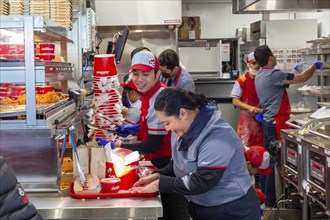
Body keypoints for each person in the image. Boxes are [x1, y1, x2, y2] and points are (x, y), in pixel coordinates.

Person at [130, 87, 260, 220]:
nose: (167, 128)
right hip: (202, 208)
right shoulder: (181, 128)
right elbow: (180, 162)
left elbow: (202, 181)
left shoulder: (218, 136)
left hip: (232, 210)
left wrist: (160, 183)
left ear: (183, 113)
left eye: (167, 123)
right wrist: (158, 175)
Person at [100, 51, 190, 220]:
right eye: (135, 73)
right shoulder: (149, 95)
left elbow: (152, 145)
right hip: (163, 163)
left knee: (175, 213)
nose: (139, 79)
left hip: (171, 165)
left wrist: (116, 146)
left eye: (146, 74)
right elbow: (155, 127)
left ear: (157, 74)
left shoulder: (161, 99)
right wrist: (135, 129)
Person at [254, 44, 323, 207]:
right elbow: (303, 79)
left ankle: (266, 197)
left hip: (268, 122)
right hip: (276, 123)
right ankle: (272, 201)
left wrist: (294, 70)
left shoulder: (261, 75)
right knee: (273, 161)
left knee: (266, 159)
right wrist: (314, 66)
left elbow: (285, 82)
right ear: (271, 57)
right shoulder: (274, 74)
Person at [231, 52, 263, 148]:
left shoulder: (264, 79)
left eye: (259, 63)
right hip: (247, 122)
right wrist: (250, 107)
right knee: (246, 147)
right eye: (254, 63)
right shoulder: (242, 81)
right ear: (247, 64)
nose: (257, 66)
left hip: (263, 119)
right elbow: (235, 101)